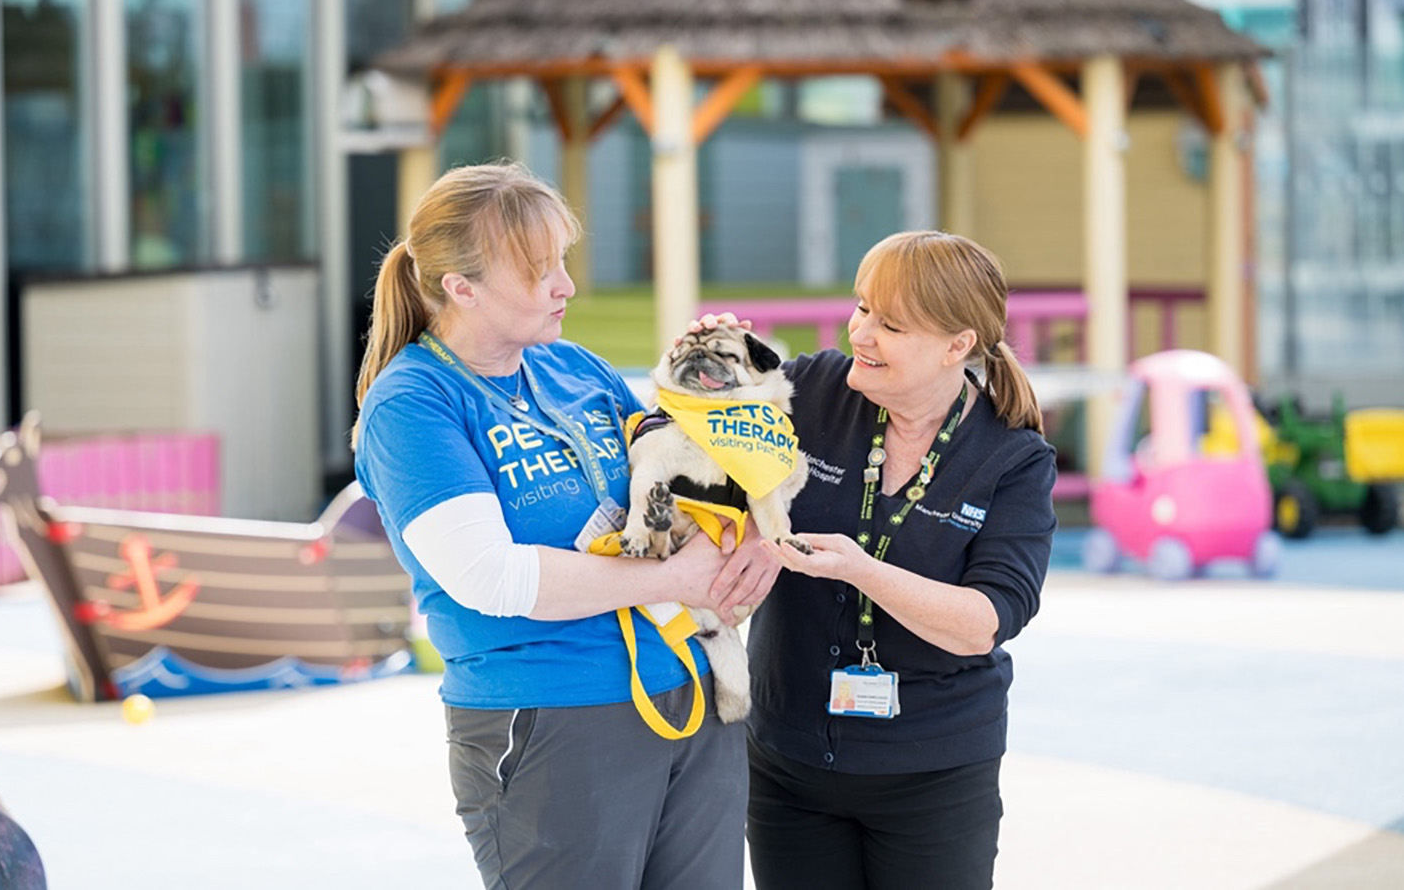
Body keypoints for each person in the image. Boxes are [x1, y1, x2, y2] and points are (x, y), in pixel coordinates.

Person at [350, 162, 776, 890]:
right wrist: (673, 577)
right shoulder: (412, 404)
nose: (565, 287)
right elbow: (494, 577)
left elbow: (684, 479)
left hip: (693, 693)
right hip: (552, 714)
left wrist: (751, 520)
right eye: (538, 271)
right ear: (462, 287)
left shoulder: (572, 366)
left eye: (563, 264)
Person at [736, 230, 1057, 890]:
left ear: (956, 346)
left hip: (932, 774)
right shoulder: (812, 389)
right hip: (789, 762)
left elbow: (985, 620)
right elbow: (709, 434)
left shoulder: (1012, 458)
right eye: (861, 308)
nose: (861, 333)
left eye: (890, 325)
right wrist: (712, 360)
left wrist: (861, 568)